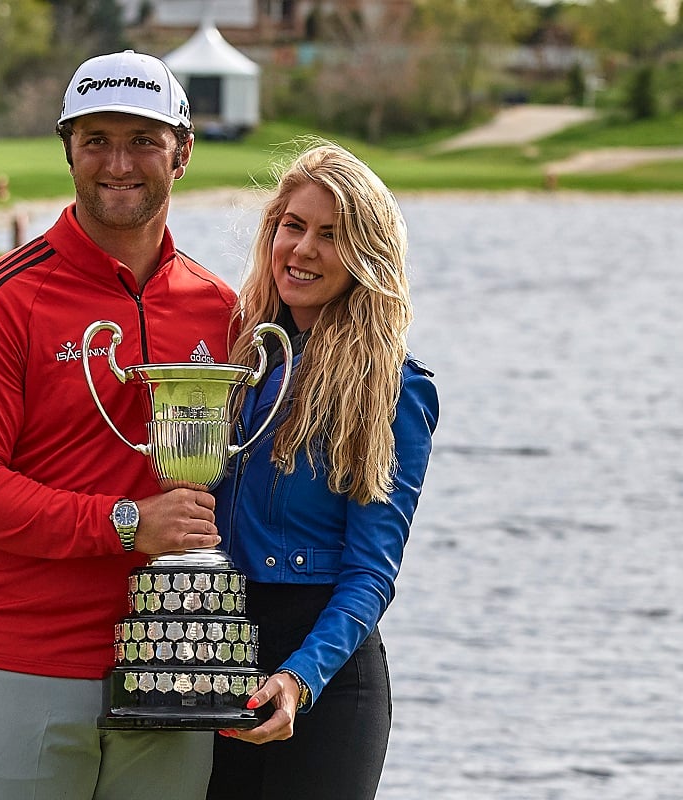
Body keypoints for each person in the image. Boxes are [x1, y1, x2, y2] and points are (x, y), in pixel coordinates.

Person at [0, 50, 237, 800]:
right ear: (68, 149)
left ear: (182, 153)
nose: (117, 162)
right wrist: (129, 523)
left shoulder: (219, 308)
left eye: (142, 140)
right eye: (96, 139)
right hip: (27, 663)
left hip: (177, 663)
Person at [207, 142, 439, 799]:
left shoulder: (392, 386)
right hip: (222, 659)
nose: (304, 249)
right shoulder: (236, 361)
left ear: (366, 255)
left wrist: (299, 678)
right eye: (294, 226)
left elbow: (372, 572)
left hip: (328, 680)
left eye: (333, 236)